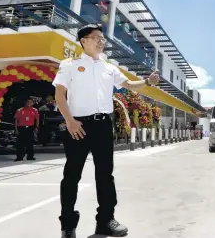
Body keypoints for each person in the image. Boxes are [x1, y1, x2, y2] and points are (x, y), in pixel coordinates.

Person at [53, 24, 159, 238]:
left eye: (102, 38)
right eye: (96, 38)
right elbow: (59, 95)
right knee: (71, 176)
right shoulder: (69, 65)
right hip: (78, 126)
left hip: (103, 126)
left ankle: (105, 221)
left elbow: (129, 84)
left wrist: (147, 82)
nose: (102, 41)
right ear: (83, 41)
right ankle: (68, 225)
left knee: (105, 175)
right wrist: (70, 121)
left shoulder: (108, 67)